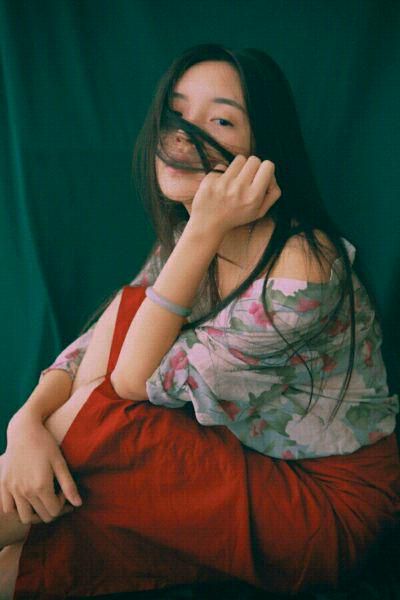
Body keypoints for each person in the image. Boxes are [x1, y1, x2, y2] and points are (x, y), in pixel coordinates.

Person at [0, 43, 399, 599]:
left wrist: (204, 230)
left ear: (263, 151)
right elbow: (99, 345)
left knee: (118, 384)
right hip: (240, 460)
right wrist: (24, 426)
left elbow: (128, 384)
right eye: (177, 113)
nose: (184, 137)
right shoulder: (185, 239)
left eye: (221, 121)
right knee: (20, 564)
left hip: (324, 502)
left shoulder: (301, 272)